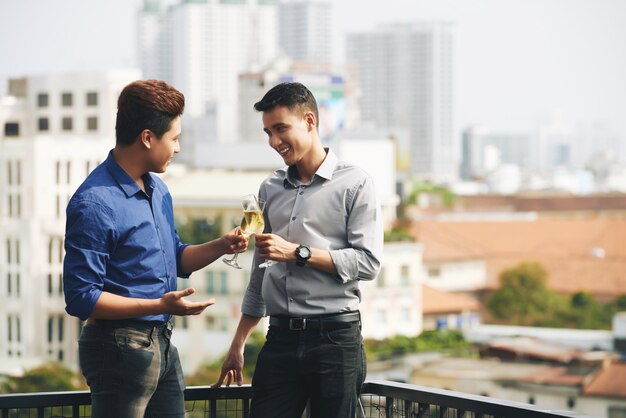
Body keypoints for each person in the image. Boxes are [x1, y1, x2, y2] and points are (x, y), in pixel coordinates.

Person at [63, 79, 247, 418]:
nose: (177, 148)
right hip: (117, 347)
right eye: (174, 138)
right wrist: (157, 304)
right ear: (147, 137)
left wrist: (221, 245)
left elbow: (174, 257)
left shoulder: (158, 190)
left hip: (161, 340)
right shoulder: (94, 203)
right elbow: (80, 297)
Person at [213, 82, 384, 418]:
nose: (274, 142)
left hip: (336, 339)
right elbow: (259, 273)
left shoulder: (356, 183)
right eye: (267, 133)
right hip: (279, 339)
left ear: (309, 121)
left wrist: (298, 253)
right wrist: (238, 343)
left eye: (280, 129)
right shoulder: (269, 187)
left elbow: (368, 263)